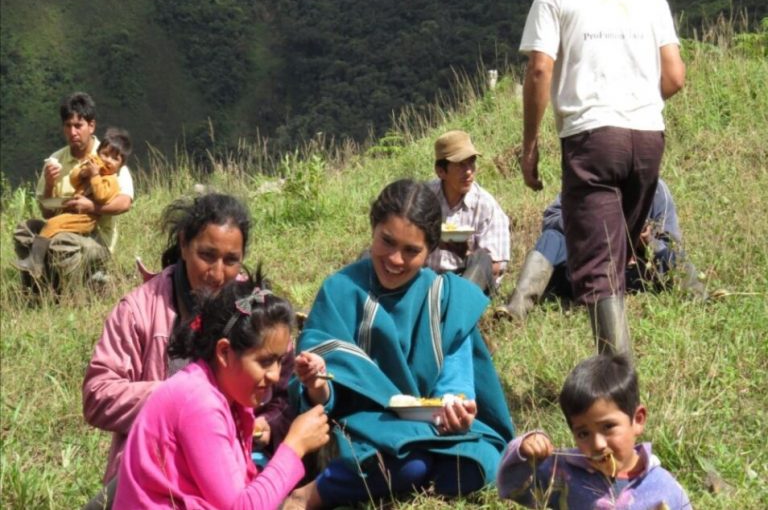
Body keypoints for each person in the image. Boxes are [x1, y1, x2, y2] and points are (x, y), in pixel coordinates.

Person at [285, 179, 514, 509]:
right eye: (387, 241)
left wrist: (457, 410)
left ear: (430, 250)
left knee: (480, 465)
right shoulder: (341, 291)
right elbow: (319, 397)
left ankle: (401, 479)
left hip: (429, 427)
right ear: (373, 229)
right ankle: (309, 496)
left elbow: (455, 386)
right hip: (361, 425)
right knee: (406, 463)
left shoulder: (445, 299)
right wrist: (317, 384)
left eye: (411, 251)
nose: (395, 259)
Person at [517, 0, 686, 356]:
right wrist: (634, 104)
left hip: (593, 138)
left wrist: (530, 144)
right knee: (615, 254)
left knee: (598, 267)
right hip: (648, 138)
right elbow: (675, 76)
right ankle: (616, 372)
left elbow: (540, 68)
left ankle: (617, 379)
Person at [82, 193, 296, 509]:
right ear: (184, 245)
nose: (218, 274)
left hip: (237, 457)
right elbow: (97, 395)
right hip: (154, 469)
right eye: (207, 255)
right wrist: (175, 403)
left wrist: (264, 423)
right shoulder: (139, 311)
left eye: (231, 260)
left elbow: (282, 389)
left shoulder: (252, 307)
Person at [113, 277, 331, 508]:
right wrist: (294, 446)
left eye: (279, 360)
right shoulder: (199, 402)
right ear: (225, 352)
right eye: (266, 361)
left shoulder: (224, 394)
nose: (275, 375)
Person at [496, 354, 691, 508]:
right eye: (583, 434)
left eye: (608, 427)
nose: (598, 444)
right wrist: (525, 452)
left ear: (638, 420)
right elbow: (513, 488)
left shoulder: (663, 488)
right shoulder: (563, 473)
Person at [497, 179, 707, 320]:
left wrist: (647, 241)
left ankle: (700, 299)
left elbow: (671, 241)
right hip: (583, 271)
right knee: (551, 238)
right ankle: (516, 309)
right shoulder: (586, 181)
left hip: (634, 274)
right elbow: (551, 219)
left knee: (671, 254)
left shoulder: (656, 189)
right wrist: (586, 221)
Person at [13, 92, 134, 289]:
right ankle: (34, 286)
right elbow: (47, 213)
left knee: (61, 241)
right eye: (68, 126)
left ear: (91, 126)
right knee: (24, 231)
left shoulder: (109, 155)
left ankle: (72, 292)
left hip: (95, 239)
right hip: (62, 225)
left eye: (78, 126)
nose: (73, 132)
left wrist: (91, 206)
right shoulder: (55, 160)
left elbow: (124, 203)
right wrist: (50, 184)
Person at [426, 130, 510, 295]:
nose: (469, 172)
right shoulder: (424, 198)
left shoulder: (486, 205)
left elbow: (495, 266)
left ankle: (458, 302)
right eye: (460, 165)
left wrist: (465, 254)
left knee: (482, 258)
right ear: (441, 171)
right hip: (428, 279)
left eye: (471, 163)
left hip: (467, 280)